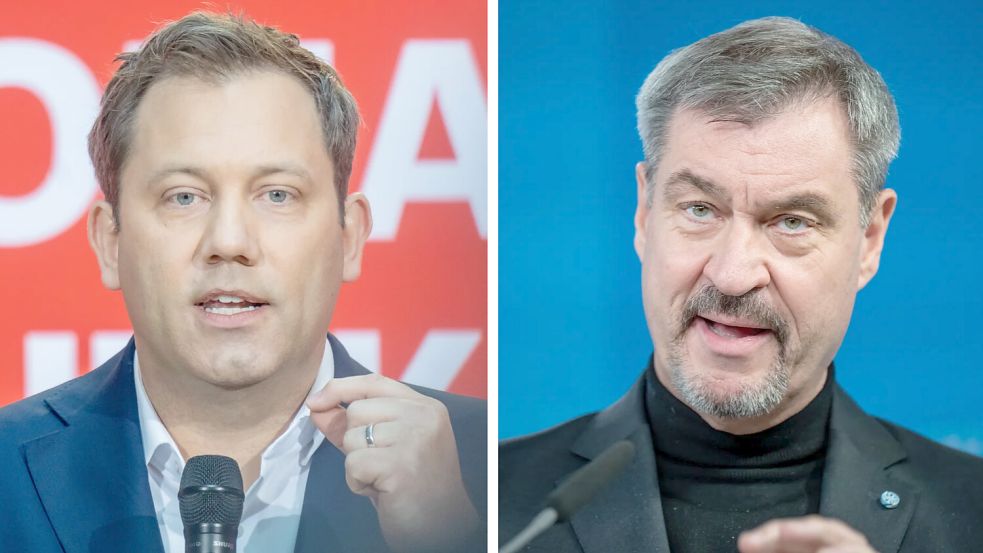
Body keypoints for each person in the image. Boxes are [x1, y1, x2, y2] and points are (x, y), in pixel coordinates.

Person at [0, 11, 485, 553]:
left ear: (349, 237)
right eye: (184, 196)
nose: (229, 241)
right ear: (110, 242)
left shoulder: (490, 471)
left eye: (277, 194)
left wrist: (451, 539)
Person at [500, 16, 982, 553]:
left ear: (869, 238)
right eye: (701, 209)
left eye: (792, 221)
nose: (732, 275)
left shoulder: (973, 513)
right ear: (643, 212)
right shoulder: (489, 507)